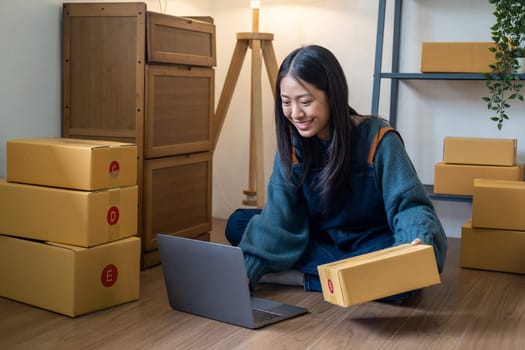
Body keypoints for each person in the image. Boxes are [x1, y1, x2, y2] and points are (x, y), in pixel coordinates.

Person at [225, 44, 448, 298]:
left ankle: (300, 278)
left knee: (404, 281)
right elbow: (279, 216)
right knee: (238, 222)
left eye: (306, 102)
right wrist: (246, 271)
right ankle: (345, 280)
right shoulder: (293, 144)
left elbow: (410, 206)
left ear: (332, 96)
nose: (295, 113)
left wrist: (413, 242)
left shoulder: (378, 140)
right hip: (317, 237)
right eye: (287, 102)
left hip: (369, 241)